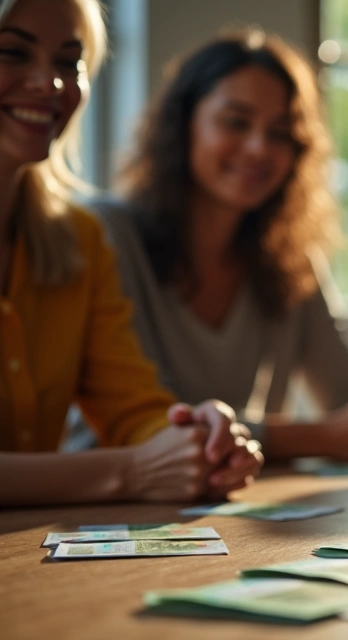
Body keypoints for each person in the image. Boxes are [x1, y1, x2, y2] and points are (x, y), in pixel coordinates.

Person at [81, 31, 348, 464]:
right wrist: (319, 438)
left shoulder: (289, 258)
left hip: (236, 516)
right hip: (97, 517)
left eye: (280, 133)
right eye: (236, 121)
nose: (258, 148)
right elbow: (149, 428)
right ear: (183, 123)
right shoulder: (106, 234)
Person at [0, 0, 261, 506]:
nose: (48, 83)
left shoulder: (79, 240)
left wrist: (194, 435)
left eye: (67, 62)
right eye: (12, 53)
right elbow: (134, 462)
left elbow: (130, 409)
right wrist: (131, 472)